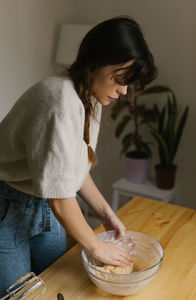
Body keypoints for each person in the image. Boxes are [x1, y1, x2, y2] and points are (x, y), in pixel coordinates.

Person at [0, 16, 157, 297]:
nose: (123, 91)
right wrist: (96, 245)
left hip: (43, 206)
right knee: (19, 295)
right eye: (121, 79)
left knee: (61, 287)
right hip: (6, 207)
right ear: (97, 61)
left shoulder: (90, 100)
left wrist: (108, 216)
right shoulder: (60, 99)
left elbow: (73, 171)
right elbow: (60, 198)